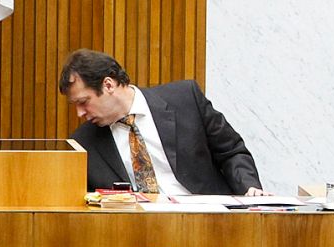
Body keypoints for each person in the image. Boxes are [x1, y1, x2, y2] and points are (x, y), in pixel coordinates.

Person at [57, 49, 263, 196]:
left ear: (108, 85)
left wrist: (249, 189)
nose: (79, 113)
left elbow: (231, 151)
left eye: (83, 102)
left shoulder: (185, 99)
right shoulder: (83, 143)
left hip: (208, 223)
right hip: (139, 237)